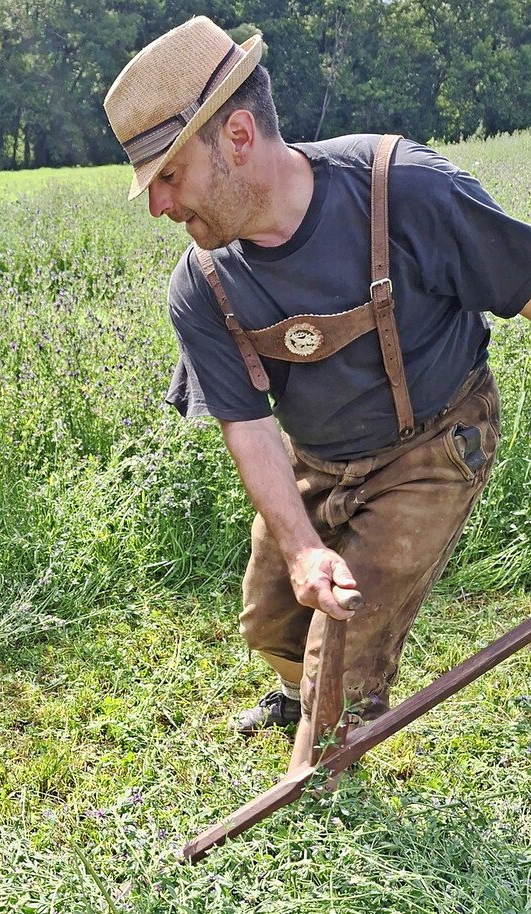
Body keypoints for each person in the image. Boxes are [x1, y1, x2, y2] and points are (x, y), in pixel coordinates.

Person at [102, 15, 531, 762]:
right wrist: (301, 550)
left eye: (168, 174)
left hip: (433, 444)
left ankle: (328, 760)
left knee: (348, 645)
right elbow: (248, 424)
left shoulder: (404, 191)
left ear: (237, 136)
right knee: (270, 618)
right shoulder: (203, 284)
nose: (158, 206)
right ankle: (305, 696)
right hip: (317, 457)